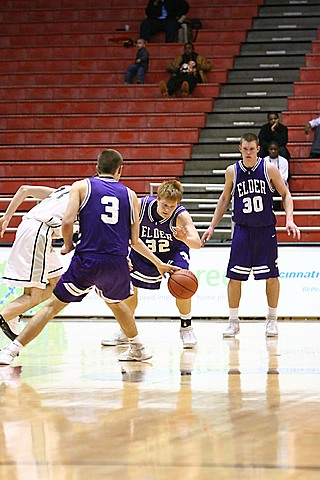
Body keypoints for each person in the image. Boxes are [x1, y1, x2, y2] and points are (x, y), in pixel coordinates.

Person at [0, 149, 178, 365]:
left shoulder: (81, 186)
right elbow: (135, 240)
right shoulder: (131, 196)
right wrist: (159, 264)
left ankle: (11, 351)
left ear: (97, 167)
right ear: (120, 170)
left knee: (51, 306)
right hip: (116, 260)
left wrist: (68, 245)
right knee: (116, 302)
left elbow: (67, 222)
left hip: (88, 259)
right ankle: (138, 347)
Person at [201, 133, 300, 338]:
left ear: (257, 150)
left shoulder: (268, 169)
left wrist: (289, 218)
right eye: (244, 149)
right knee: (234, 276)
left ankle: (272, 320)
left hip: (265, 230)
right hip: (243, 230)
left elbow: (286, 194)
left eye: (251, 149)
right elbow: (224, 199)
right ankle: (233, 322)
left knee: (272, 276)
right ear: (240, 149)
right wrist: (211, 226)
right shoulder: (232, 172)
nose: (248, 152)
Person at [101, 180, 201, 349]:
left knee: (183, 283)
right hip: (144, 251)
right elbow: (122, 234)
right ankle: (126, 330)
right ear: (157, 198)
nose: (167, 210)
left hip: (172, 252)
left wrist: (184, 238)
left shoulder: (181, 216)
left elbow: (197, 243)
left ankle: (186, 327)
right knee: (128, 288)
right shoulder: (140, 206)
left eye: (171, 206)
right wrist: (123, 254)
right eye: (164, 205)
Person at [0, 184, 73, 341]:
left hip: (33, 229)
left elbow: (24, 189)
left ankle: (13, 314)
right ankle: (5, 314)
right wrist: (69, 245)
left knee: (58, 285)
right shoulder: (84, 199)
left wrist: (6, 218)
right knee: (33, 295)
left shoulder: (63, 190)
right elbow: (68, 224)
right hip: (39, 232)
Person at [264, 141, 289, 211]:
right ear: (268, 150)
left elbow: (284, 177)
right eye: (271, 149)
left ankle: (276, 209)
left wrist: (273, 182)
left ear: (278, 150)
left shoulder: (284, 161)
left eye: (275, 149)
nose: (273, 151)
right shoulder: (264, 161)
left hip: (280, 185)